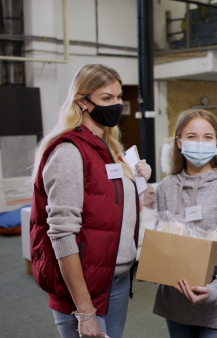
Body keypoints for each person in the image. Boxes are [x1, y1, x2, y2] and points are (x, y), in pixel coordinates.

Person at [30, 64, 152, 338]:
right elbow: (62, 235)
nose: (116, 104)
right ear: (82, 102)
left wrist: (139, 182)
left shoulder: (109, 147)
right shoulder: (69, 151)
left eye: (119, 97)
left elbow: (116, 209)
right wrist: (85, 312)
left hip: (116, 279)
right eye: (106, 98)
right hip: (84, 286)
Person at [152, 109, 217, 337]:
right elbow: (164, 244)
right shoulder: (166, 187)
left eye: (208, 137)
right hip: (176, 307)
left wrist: (213, 290)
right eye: (192, 136)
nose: (200, 142)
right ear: (178, 141)